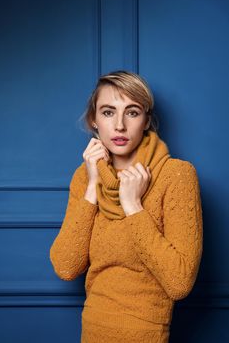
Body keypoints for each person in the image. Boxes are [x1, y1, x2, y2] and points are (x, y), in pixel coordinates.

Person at [49, 70, 203, 343]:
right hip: (92, 330)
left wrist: (133, 206)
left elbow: (179, 283)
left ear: (146, 120)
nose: (119, 125)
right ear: (93, 121)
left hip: (145, 334)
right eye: (108, 112)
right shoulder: (84, 177)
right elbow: (66, 267)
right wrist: (91, 188)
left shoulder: (176, 175)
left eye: (132, 112)